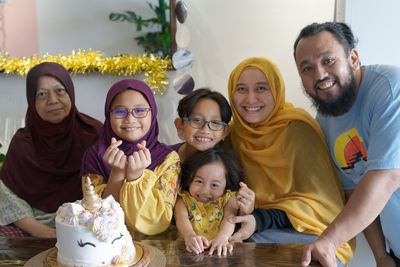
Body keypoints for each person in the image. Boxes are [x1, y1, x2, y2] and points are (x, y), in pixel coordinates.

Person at [225, 57, 355, 266]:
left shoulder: (297, 129)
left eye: (261, 88)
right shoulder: (232, 135)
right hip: (257, 230)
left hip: (313, 233)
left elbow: (320, 203)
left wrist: (259, 219)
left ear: (276, 90)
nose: (250, 98)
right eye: (241, 89)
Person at [294, 22, 400, 267]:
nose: (319, 75)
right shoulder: (324, 121)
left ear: (353, 57)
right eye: (307, 68)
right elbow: (353, 190)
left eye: (328, 60)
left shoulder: (390, 89)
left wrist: (330, 242)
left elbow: (386, 177)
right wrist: (381, 256)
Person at [0, 62, 102, 237]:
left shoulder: (95, 134)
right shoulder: (23, 142)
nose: (53, 100)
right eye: (42, 94)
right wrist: (47, 234)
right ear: (32, 101)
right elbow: (9, 196)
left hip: (87, 226)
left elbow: (106, 192)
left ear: (70, 92)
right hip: (32, 227)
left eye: (60, 91)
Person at [80, 79, 180, 240]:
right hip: (105, 245)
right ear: (108, 114)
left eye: (140, 110)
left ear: (152, 113)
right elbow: (95, 217)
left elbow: (158, 221)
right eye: (120, 111)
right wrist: (117, 174)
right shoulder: (95, 155)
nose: (130, 119)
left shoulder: (167, 159)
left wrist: (137, 178)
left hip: (156, 246)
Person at [174, 146, 243, 256]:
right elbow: (181, 219)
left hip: (223, 250)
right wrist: (190, 236)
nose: (205, 191)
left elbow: (230, 218)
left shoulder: (229, 199)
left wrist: (222, 238)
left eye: (214, 185)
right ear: (190, 178)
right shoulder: (183, 199)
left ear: (226, 185)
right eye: (199, 181)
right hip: (190, 250)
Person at [171, 88, 231, 162]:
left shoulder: (228, 169)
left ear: (225, 132)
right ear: (180, 125)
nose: (205, 130)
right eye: (197, 120)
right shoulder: (161, 157)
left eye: (215, 123)